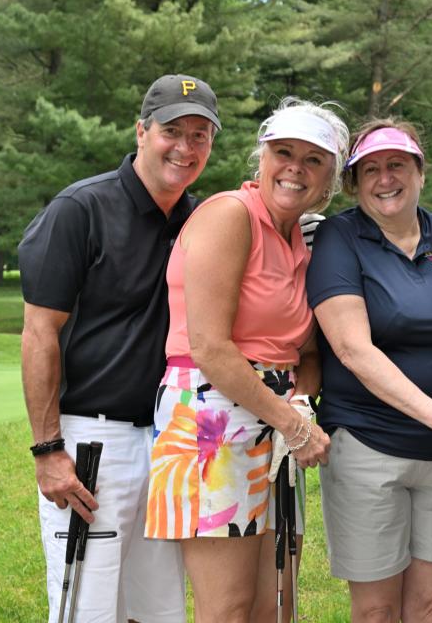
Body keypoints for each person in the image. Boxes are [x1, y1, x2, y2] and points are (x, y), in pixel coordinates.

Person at [19, 73, 221, 623]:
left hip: (167, 441)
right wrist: (47, 450)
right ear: (141, 131)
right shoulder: (79, 209)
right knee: (86, 607)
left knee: (159, 610)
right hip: (90, 444)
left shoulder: (199, 220)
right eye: (172, 131)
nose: (185, 147)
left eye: (200, 135)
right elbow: (39, 334)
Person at [144, 97, 345, 623]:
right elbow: (209, 347)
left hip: (277, 421)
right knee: (228, 608)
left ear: (331, 177)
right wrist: (292, 424)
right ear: (261, 157)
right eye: (283, 151)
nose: (295, 167)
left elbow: (305, 351)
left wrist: (299, 402)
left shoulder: (301, 238)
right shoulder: (231, 215)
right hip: (211, 418)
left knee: (277, 601)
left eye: (314, 159)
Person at [305, 119, 432, 622]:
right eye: (369, 169)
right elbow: (352, 349)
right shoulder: (340, 237)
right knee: (376, 610)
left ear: (420, 172)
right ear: (353, 183)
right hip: (369, 445)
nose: (384, 178)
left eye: (397, 165)